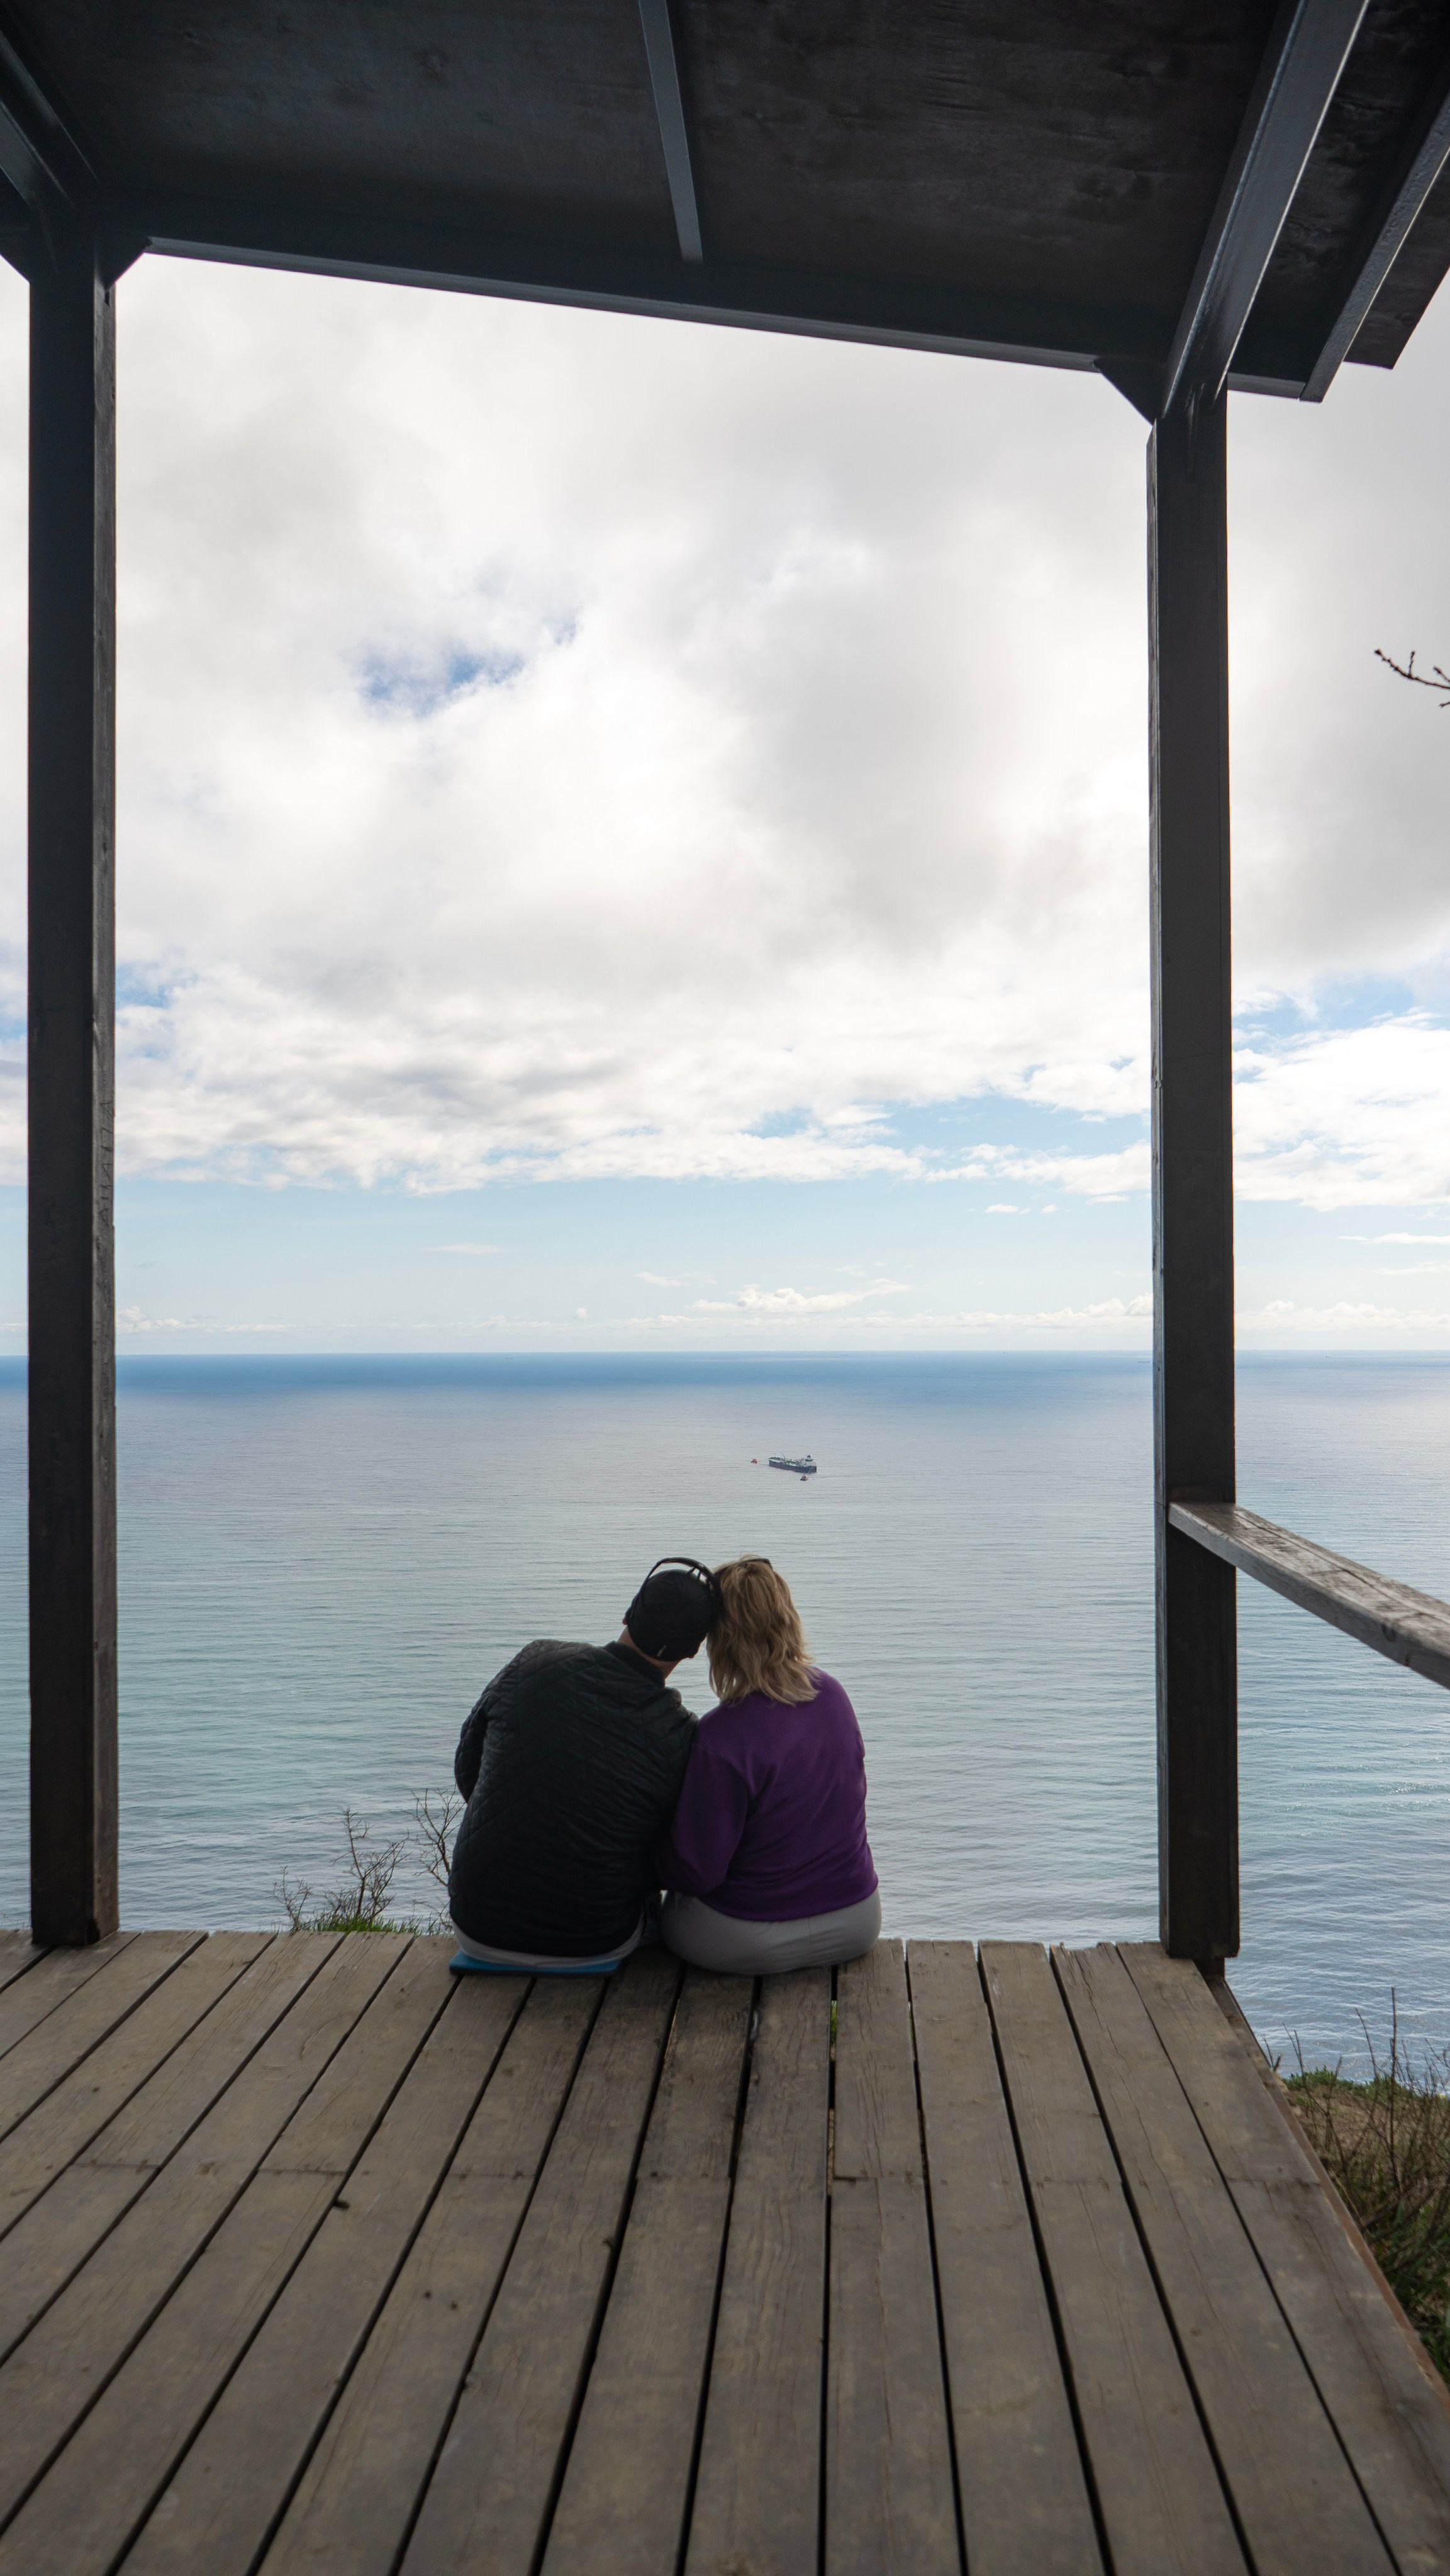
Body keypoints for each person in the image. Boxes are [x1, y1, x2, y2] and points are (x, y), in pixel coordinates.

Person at [446, 1558, 713, 1973]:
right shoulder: (682, 1735)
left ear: (628, 1611)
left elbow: (468, 1771)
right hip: (594, 1941)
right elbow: (671, 1855)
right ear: (694, 1651)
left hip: (477, 1928)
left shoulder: (535, 1661)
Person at [655, 1556, 880, 1974]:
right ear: (786, 1618)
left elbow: (696, 1873)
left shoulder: (719, 1737)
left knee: (662, 1908)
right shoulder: (833, 1696)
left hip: (748, 1939)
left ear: (717, 1638)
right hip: (857, 1921)